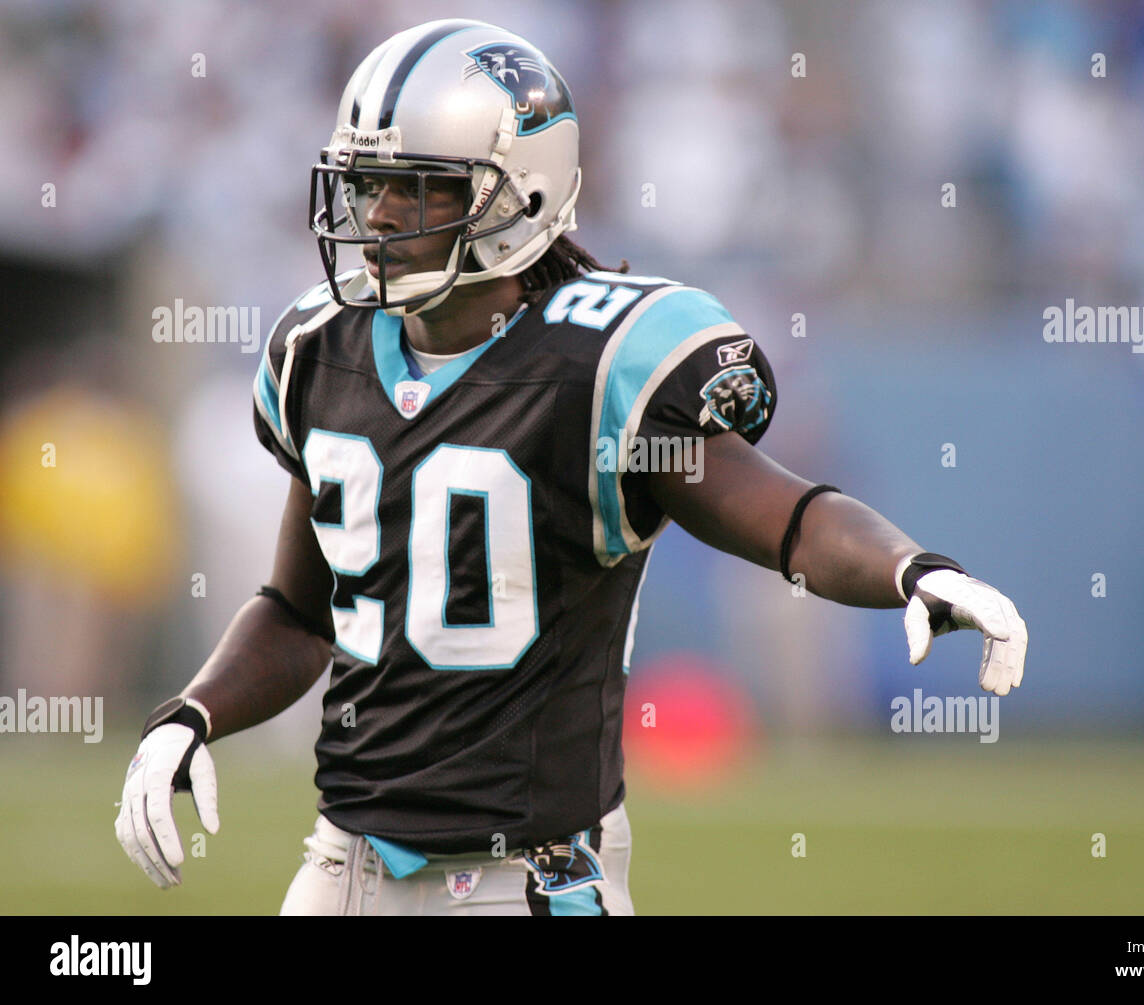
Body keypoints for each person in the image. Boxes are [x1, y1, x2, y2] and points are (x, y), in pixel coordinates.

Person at [114, 18, 1027, 916]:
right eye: (370, 182)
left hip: (528, 880)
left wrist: (913, 567)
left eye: (419, 187)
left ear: (520, 198)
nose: (381, 213)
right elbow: (298, 612)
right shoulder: (324, 350)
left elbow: (790, 520)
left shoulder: (599, 364)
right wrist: (191, 714)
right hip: (341, 866)